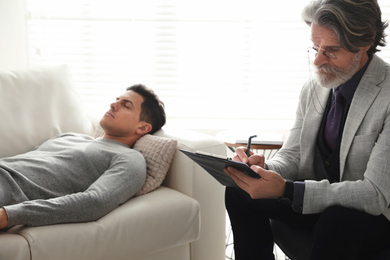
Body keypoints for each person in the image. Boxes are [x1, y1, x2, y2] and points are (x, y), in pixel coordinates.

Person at [224, 0, 390, 259]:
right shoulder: (313, 88)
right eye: (315, 47)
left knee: (335, 221)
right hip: (317, 199)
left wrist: (288, 190)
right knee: (239, 191)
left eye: (331, 51)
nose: (317, 61)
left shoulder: (387, 94)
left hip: (373, 213)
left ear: (364, 44)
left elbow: (375, 194)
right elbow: (293, 155)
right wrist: (263, 170)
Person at [0, 84, 166, 229]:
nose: (113, 104)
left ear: (143, 128)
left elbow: (95, 202)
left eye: (126, 105)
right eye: (117, 99)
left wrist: (9, 215)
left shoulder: (130, 159)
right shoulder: (69, 136)